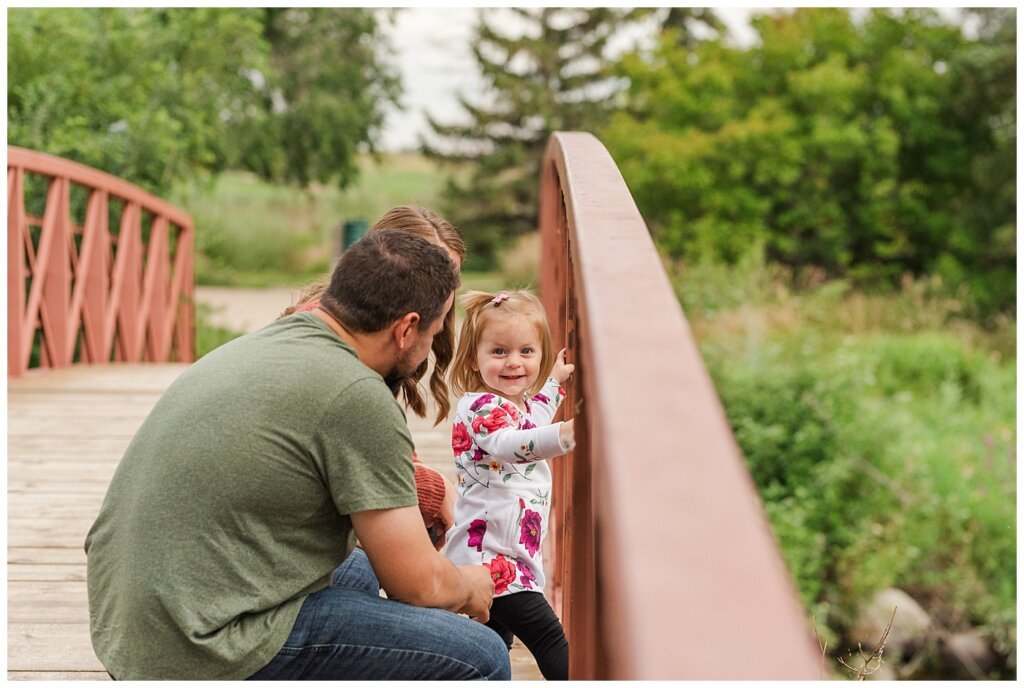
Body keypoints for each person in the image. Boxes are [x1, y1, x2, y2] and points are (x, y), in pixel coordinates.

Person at [84, 230, 510, 680]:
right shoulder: (356, 395)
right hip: (196, 646)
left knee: (356, 572)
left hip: (132, 621)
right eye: (438, 325)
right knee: (477, 655)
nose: (436, 338)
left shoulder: (277, 340)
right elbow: (420, 584)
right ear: (406, 328)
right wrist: (469, 585)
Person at [281, 206, 465, 546]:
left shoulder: (357, 329)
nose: (440, 287)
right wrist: (434, 491)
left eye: (450, 278)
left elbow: (377, 439)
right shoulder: (340, 349)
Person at [443, 290, 575, 680]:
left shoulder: (512, 404)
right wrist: (566, 434)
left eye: (526, 352)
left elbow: (530, 420)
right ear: (473, 358)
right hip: (493, 562)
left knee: (491, 650)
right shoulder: (481, 408)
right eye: (499, 352)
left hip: (508, 553)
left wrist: (554, 383)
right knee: (551, 641)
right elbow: (510, 444)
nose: (514, 362)